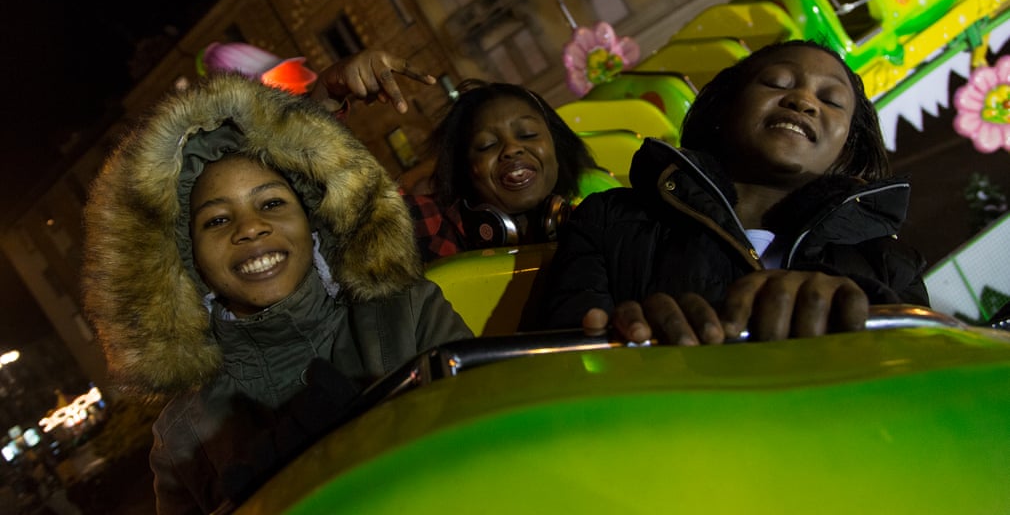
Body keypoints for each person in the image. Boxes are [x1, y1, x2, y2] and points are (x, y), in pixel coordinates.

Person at [81, 75, 472, 515]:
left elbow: (492, 446)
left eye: (270, 204)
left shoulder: (410, 312)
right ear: (185, 260)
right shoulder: (182, 439)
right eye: (215, 221)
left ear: (311, 218)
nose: (250, 228)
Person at [539, 40, 929, 344]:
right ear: (725, 107)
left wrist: (859, 303)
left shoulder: (889, 265)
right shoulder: (610, 222)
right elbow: (561, 360)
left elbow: (926, 381)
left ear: (847, 147)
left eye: (832, 101)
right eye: (777, 83)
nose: (803, 101)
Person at [319, 51, 615, 261]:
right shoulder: (428, 227)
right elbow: (341, 201)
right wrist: (328, 95)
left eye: (527, 135)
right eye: (486, 145)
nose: (512, 149)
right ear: (464, 168)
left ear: (556, 147)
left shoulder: (598, 226)